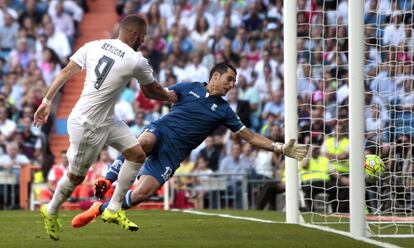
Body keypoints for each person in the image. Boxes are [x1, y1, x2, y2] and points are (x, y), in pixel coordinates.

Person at [71, 62, 308, 230]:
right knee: (143, 143)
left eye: (234, 82)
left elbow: (251, 137)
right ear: (215, 75)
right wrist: (144, 80)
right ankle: (108, 179)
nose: (231, 85)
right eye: (229, 79)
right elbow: (159, 94)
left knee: (143, 193)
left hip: (173, 155)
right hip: (161, 131)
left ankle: (100, 209)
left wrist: (279, 148)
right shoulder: (188, 88)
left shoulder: (224, 111)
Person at [33, 15, 177, 240]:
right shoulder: (135, 59)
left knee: (137, 154)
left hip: (105, 118)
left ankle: (112, 209)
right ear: (134, 35)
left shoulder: (93, 46)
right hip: (88, 125)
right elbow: (151, 91)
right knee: (76, 176)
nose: (143, 41)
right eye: (143, 37)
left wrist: (46, 101)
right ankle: (50, 210)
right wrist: (170, 95)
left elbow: (65, 73)